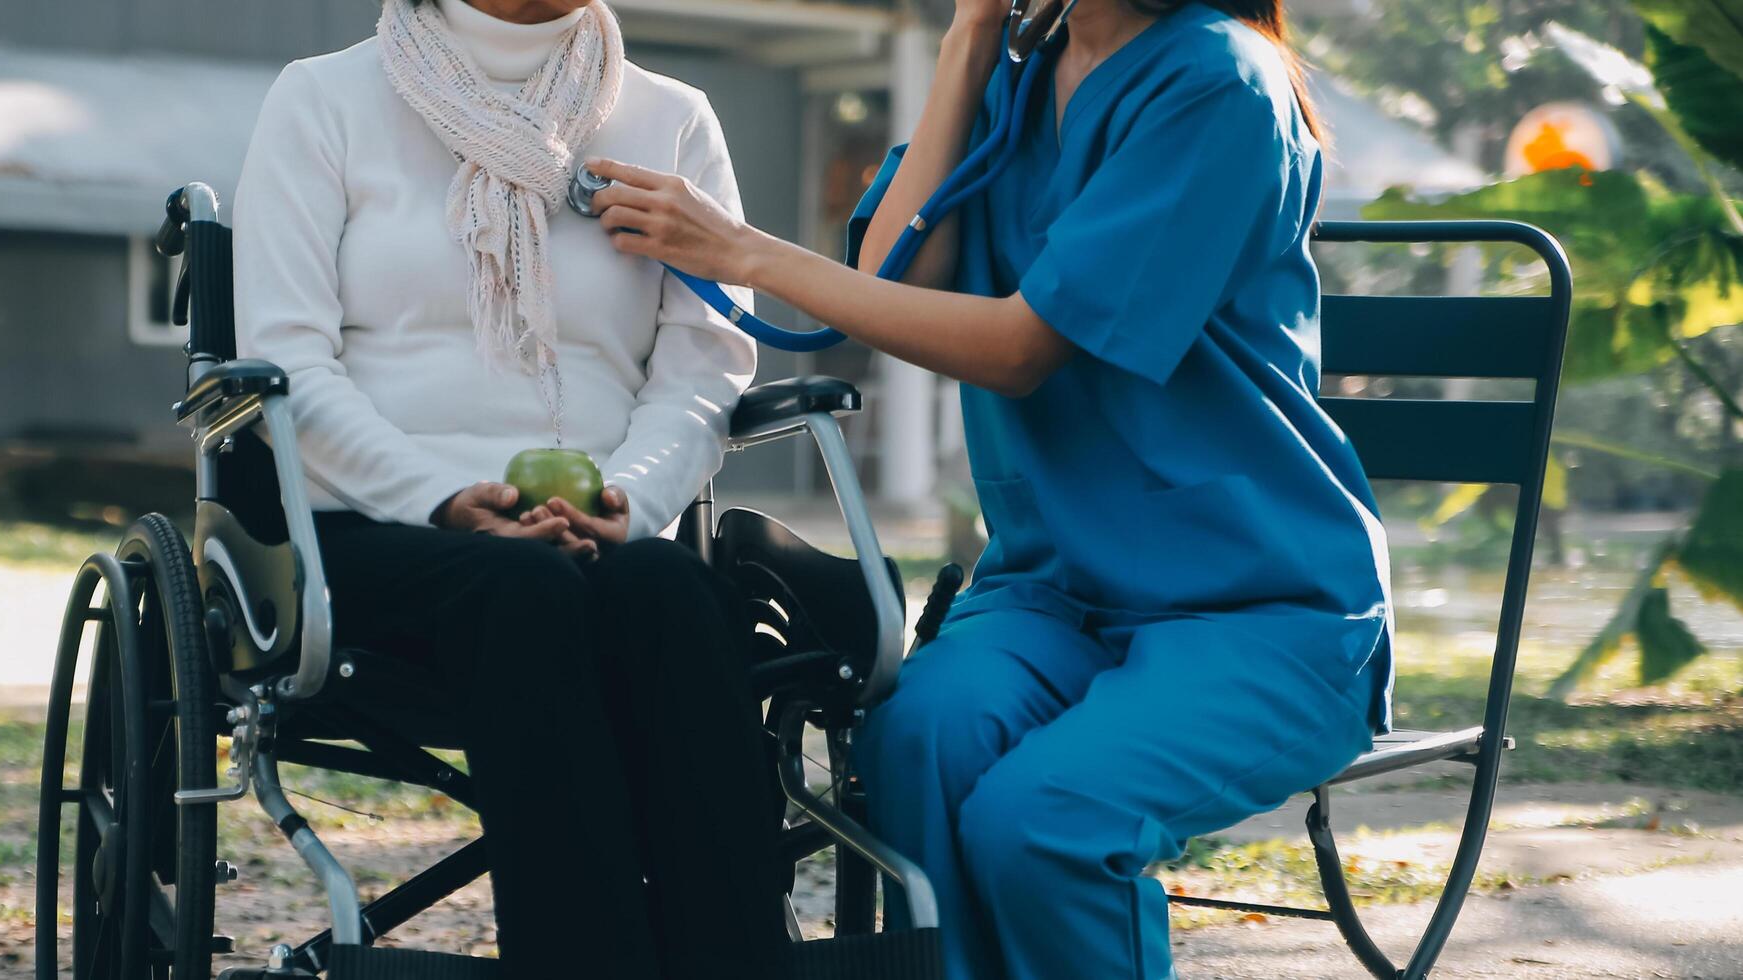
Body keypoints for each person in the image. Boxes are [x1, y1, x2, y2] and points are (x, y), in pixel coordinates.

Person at [580, 0, 1393, 975]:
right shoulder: (1018, 71)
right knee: (915, 740)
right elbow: (892, 272)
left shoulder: (1219, 79)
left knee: (1044, 817)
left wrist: (739, 249)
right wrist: (970, 38)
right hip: (1054, 595)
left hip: (1258, 605)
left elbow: (1017, 349)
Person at [230, 1, 785, 975]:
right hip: (369, 528)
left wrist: (627, 500)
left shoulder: (673, 120)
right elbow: (287, 363)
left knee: (677, 594)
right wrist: (445, 496)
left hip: (604, 523)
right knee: (523, 591)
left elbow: (705, 366)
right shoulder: (323, 100)